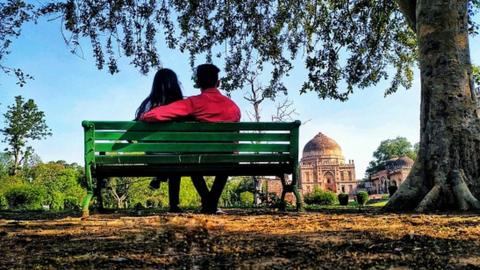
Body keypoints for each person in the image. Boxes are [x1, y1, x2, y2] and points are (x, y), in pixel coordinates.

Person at [140, 64, 241, 213]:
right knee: (224, 161)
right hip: (226, 156)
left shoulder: (193, 103)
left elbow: (153, 115)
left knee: (192, 159)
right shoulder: (233, 107)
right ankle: (210, 203)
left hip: (199, 158)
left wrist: (144, 116)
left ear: (198, 83)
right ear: (218, 82)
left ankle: (209, 201)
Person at [135, 68, 184, 213]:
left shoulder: (148, 104)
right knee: (175, 160)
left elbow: (136, 132)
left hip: (153, 157)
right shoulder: (182, 105)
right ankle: (174, 205)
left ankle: (160, 175)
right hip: (177, 157)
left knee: (163, 153)